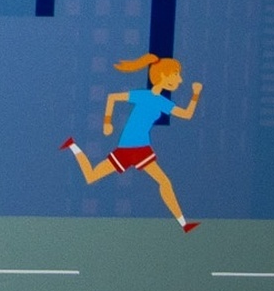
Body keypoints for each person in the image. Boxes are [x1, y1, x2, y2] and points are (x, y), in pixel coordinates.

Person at [66, 56, 202, 229]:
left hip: (141, 149)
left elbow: (186, 115)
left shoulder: (162, 102)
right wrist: (107, 122)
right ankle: (72, 145)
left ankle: (183, 223)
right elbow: (112, 97)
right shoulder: (143, 96)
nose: (180, 80)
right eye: (176, 74)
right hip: (126, 149)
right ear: (164, 75)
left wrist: (195, 95)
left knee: (164, 182)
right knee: (91, 176)